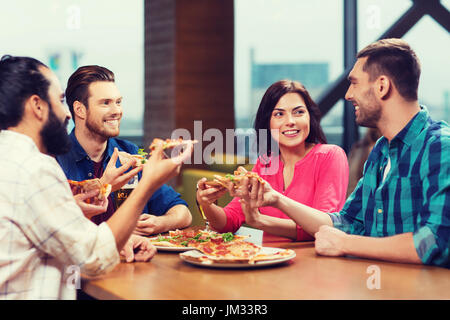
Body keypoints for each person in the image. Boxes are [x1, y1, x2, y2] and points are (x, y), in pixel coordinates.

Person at [233, 39, 449, 267]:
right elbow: (347, 221)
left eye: (354, 83)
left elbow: (437, 241)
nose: (347, 94)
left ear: (382, 86)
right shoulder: (381, 152)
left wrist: (346, 244)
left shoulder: (440, 146)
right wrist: (278, 200)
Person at [0, 55, 193, 299]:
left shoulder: (9, 159)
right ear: (37, 106)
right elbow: (94, 258)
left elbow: (55, 235)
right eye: (59, 101)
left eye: (119, 102)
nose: (66, 113)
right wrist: (146, 185)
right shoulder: (38, 168)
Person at [196, 80, 349, 241]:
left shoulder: (331, 156)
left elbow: (325, 227)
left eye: (299, 112)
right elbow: (229, 221)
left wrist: (261, 221)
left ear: (310, 117)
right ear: (268, 122)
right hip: (268, 260)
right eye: (279, 114)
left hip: (312, 261)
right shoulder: (266, 163)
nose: (290, 121)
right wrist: (206, 204)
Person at [56, 65, 192, 235]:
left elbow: (183, 212)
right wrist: (104, 187)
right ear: (80, 110)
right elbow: (54, 227)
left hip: (137, 258)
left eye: (118, 102)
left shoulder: (131, 153)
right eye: (105, 103)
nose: (117, 111)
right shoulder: (54, 160)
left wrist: (159, 223)